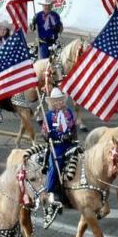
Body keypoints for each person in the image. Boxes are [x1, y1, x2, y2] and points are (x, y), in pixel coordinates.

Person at [41, 87, 77, 221]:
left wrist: (71, 136)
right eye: (55, 101)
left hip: (69, 143)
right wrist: (47, 135)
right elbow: (44, 133)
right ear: (51, 102)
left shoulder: (69, 113)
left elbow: (73, 128)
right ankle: (50, 191)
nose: (58, 103)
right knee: (55, 165)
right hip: (56, 146)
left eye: (60, 100)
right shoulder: (49, 116)